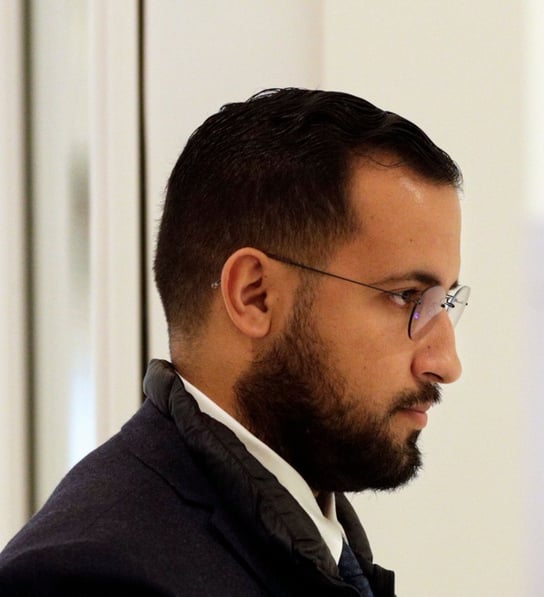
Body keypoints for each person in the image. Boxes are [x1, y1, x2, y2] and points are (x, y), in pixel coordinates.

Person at [0, 88, 469, 596]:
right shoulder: (91, 579)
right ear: (254, 296)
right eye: (405, 296)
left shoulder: (311, 540)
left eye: (444, 303)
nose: (446, 363)